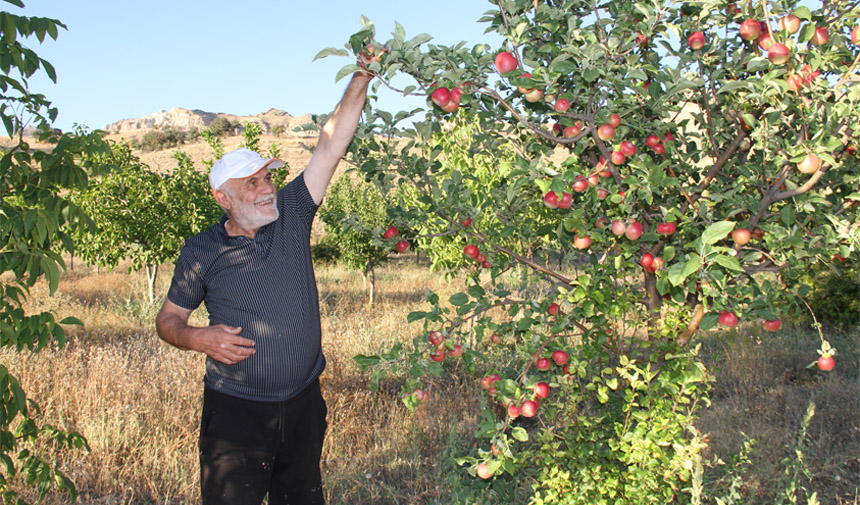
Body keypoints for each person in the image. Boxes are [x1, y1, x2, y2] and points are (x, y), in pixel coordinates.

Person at [155, 64, 373, 505]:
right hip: (236, 414)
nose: (266, 188)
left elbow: (331, 146)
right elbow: (169, 320)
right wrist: (199, 338)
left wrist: (362, 77)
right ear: (224, 199)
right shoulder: (202, 250)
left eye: (267, 177)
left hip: (303, 406)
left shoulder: (293, 214)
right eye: (251, 183)